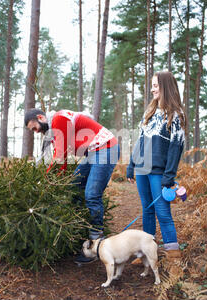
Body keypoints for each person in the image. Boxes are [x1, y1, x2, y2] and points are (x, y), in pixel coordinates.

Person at [25, 108, 120, 264]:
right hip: (92, 152)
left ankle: (96, 246)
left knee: (91, 194)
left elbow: (60, 157)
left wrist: (48, 181)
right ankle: (81, 233)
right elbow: (60, 158)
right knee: (73, 186)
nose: (35, 132)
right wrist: (55, 182)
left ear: (41, 117)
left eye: (34, 127)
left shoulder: (58, 119)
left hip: (106, 148)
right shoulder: (55, 128)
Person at [126, 71, 186, 267]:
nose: (152, 89)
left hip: (159, 173)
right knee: (147, 211)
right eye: (152, 85)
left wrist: (169, 176)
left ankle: (174, 258)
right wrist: (131, 165)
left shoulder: (175, 115)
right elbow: (140, 141)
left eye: (155, 86)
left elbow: (176, 147)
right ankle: (147, 254)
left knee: (163, 214)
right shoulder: (149, 113)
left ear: (166, 87)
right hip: (142, 170)